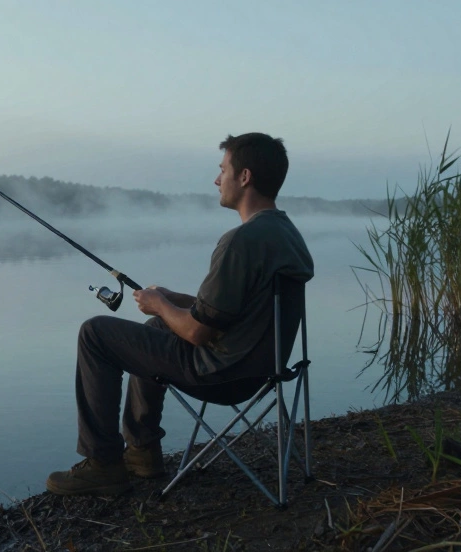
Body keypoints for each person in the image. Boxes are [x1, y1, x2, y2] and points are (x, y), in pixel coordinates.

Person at [45, 132, 315, 496]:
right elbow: (235, 308)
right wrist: (171, 299)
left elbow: (197, 333)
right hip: (263, 366)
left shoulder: (240, 241)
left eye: (223, 170)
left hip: (222, 372)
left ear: (245, 177)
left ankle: (103, 464)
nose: (217, 180)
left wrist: (160, 303)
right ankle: (141, 451)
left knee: (95, 333)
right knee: (158, 325)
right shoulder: (285, 233)